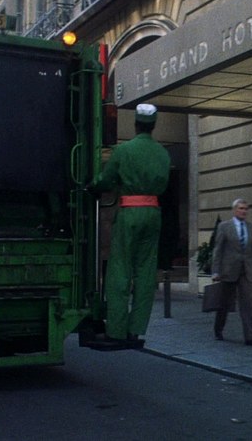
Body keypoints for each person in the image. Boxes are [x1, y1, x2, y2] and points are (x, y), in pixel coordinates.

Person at [89, 103, 171, 348]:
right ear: (153, 125)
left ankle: (116, 329)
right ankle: (136, 329)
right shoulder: (162, 153)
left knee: (120, 270)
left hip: (130, 212)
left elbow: (106, 180)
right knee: (145, 272)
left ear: (136, 124)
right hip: (153, 212)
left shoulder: (124, 150)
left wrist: (93, 186)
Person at [211, 198, 252, 346]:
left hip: (246, 272)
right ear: (234, 210)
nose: (243, 211)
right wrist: (215, 271)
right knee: (224, 304)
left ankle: (250, 337)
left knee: (248, 305)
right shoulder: (224, 227)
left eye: (245, 209)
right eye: (241, 208)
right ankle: (218, 330)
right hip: (228, 271)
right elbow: (218, 250)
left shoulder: (251, 228)